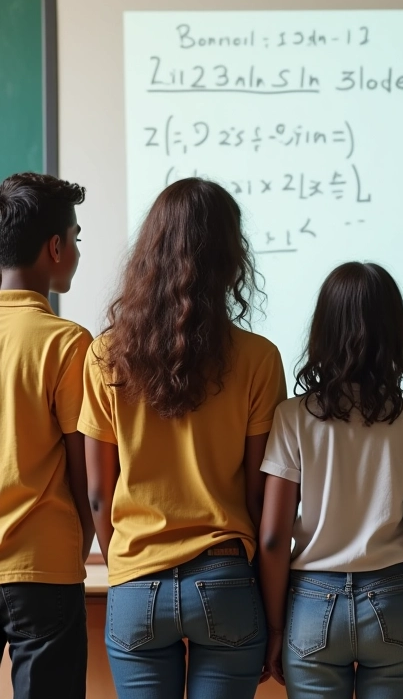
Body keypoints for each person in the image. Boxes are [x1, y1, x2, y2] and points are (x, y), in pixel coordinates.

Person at [79, 178, 286, 699]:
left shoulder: (106, 355)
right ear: (231, 257)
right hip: (225, 580)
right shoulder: (259, 358)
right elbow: (262, 496)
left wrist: (126, 566)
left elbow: (100, 493)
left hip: (135, 582)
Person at [259, 261, 403, 699]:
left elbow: (271, 540)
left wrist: (274, 628)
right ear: (395, 332)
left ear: (322, 331)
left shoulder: (292, 417)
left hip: (310, 604)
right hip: (394, 600)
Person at [0, 172, 94, 699]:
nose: (77, 250)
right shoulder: (67, 343)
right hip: (43, 570)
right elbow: (86, 473)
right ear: (55, 247)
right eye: (76, 238)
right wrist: (77, 549)